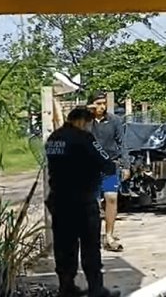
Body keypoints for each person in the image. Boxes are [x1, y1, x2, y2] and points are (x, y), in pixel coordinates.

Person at [45, 107, 121, 297]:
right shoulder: (84, 139)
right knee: (90, 246)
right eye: (88, 124)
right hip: (82, 200)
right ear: (82, 121)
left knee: (64, 246)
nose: (89, 128)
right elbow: (106, 164)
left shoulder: (53, 139)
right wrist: (112, 168)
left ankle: (66, 286)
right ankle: (96, 289)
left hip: (59, 201)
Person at [88, 92, 124, 252]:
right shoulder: (86, 121)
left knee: (111, 198)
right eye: (98, 103)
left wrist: (126, 165)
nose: (102, 106)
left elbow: (122, 143)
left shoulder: (114, 121)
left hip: (110, 165)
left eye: (104, 103)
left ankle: (109, 235)